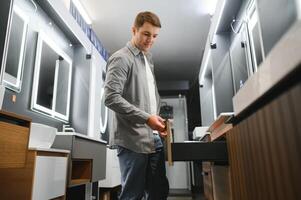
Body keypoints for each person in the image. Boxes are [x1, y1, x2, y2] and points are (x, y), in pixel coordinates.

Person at [104, 11, 169, 200]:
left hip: (153, 138)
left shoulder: (147, 59)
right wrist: (147, 118)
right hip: (132, 140)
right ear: (134, 30)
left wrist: (156, 121)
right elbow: (110, 97)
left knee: (159, 192)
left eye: (155, 36)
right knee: (133, 195)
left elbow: (149, 97)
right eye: (146, 34)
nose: (151, 40)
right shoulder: (121, 58)